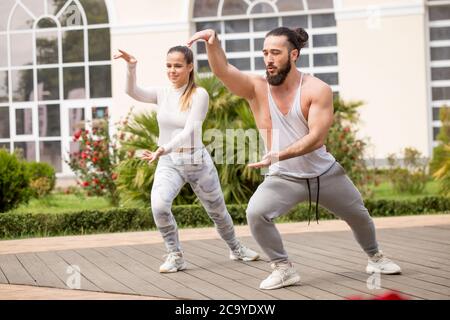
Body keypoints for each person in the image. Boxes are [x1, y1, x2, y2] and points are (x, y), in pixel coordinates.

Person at [187, 27, 401, 290]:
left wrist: (280, 153)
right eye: (265, 53)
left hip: (324, 173)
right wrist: (212, 43)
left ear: (294, 54)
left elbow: (317, 137)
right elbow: (223, 71)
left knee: (359, 216)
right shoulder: (256, 88)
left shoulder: (317, 89)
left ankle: (375, 257)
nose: (269, 59)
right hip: (284, 177)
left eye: (276, 53)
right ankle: (283, 268)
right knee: (256, 212)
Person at [114, 46, 259, 273]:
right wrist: (131, 66)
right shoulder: (162, 93)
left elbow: (191, 130)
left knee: (218, 212)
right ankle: (175, 255)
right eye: (169, 66)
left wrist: (164, 147)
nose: (172, 71)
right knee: (159, 206)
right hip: (169, 163)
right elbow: (132, 91)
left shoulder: (199, 94)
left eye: (178, 66)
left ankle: (236, 248)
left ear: (190, 67)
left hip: (196, 162)